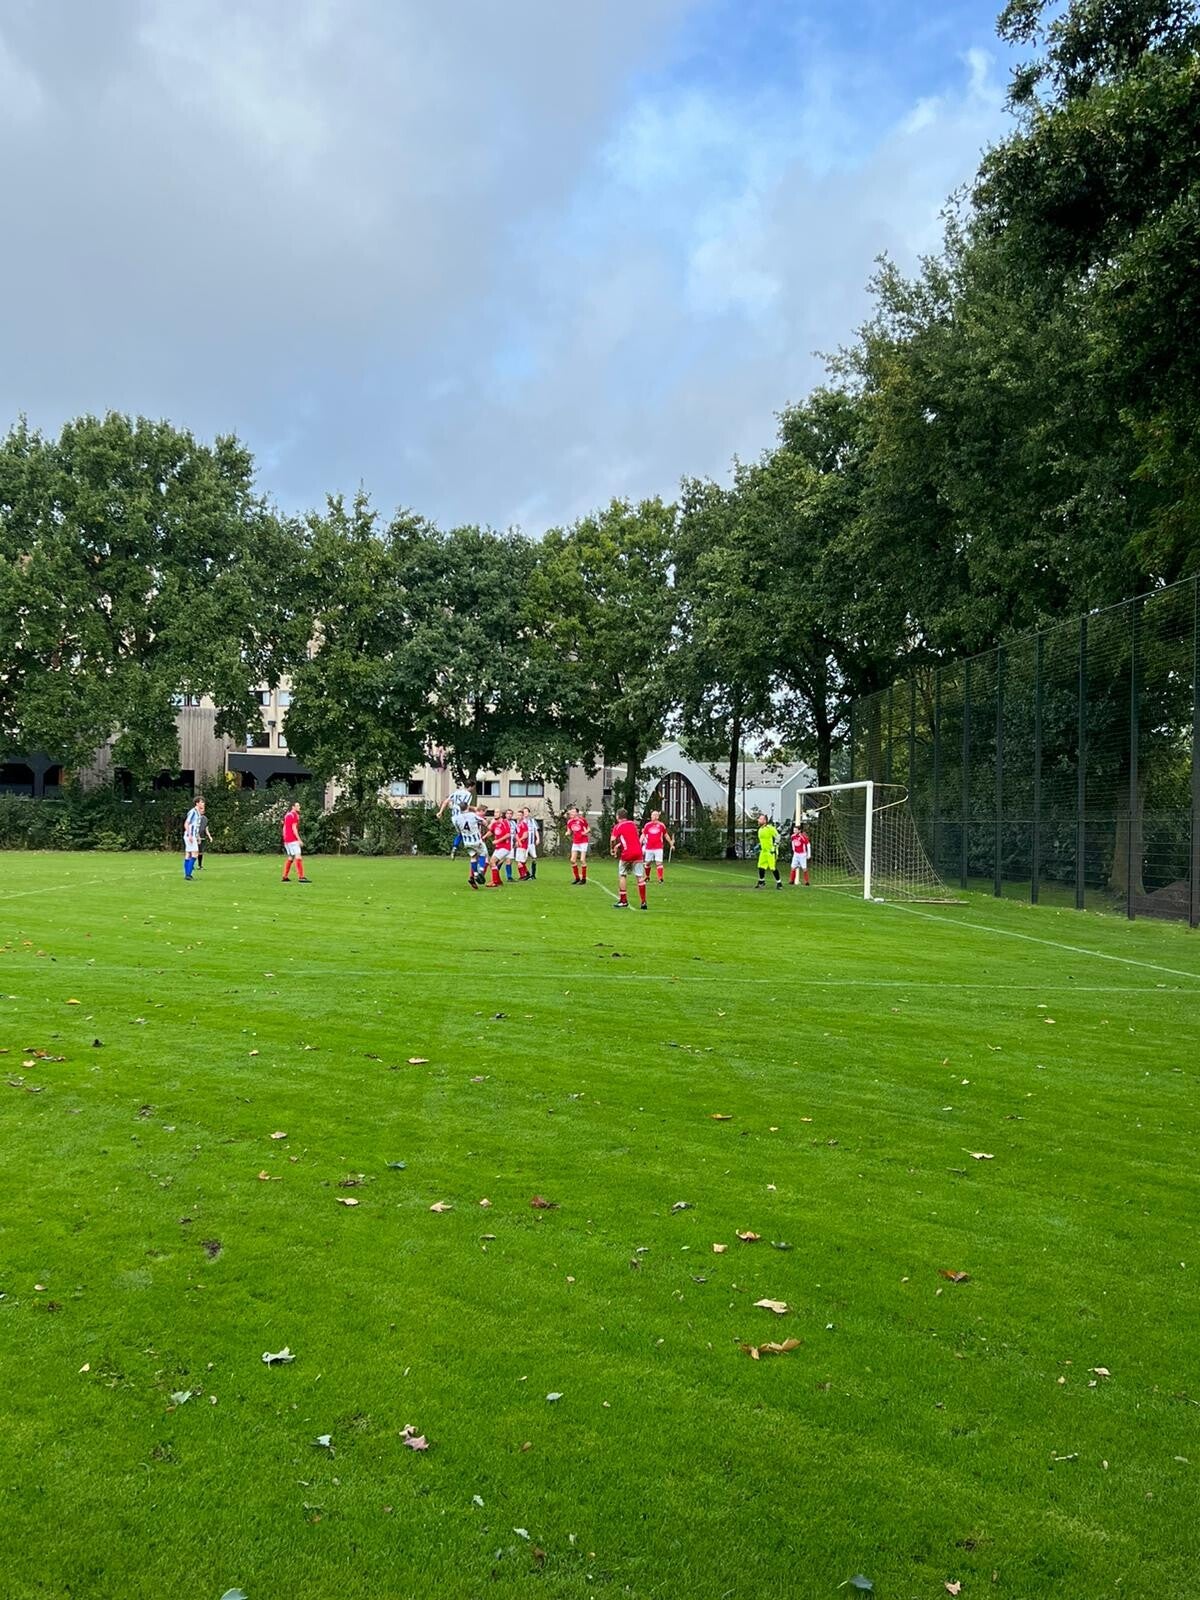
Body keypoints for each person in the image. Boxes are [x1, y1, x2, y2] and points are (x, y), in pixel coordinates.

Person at [610, 808, 648, 909]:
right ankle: (643, 902)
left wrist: (613, 849)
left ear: (617, 816)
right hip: (638, 852)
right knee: (639, 876)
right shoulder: (632, 824)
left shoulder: (618, 826)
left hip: (627, 853)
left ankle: (623, 901)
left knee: (622, 874)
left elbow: (613, 839)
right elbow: (630, 838)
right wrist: (619, 845)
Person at [640, 810, 674, 883]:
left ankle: (660, 878)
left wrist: (671, 843)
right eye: (652, 815)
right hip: (649, 847)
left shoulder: (661, 825)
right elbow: (643, 835)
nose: (653, 817)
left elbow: (666, 835)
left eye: (655, 815)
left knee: (659, 862)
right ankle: (647, 876)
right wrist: (639, 843)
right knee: (647, 863)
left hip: (658, 847)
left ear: (658, 817)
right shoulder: (647, 825)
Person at [460, 806, 488, 889]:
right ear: (481, 811)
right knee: (485, 859)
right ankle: (479, 875)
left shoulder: (469, 816)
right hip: (477, 841)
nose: (485, 814)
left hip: (470, 842)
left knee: (474, 859)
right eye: (485, 812)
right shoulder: (475, 817)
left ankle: (473, 876)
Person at [282, 800, 309, 883]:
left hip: (287, 839)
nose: (299, 807)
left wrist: (284, 837)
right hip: (292, 839)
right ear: (293, 807)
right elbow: (294, 828)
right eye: (297, 806)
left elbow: (284, 827)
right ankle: (301, 877)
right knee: (298, 856)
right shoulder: (295, 815)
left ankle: (285, 876)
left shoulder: (287, 815)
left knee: (291, 857)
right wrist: (299, 839)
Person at [486, 809, 514, 888]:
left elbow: (508, 834)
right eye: (495, 812)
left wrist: (498, 840)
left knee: (492, 861)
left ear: (501, 814)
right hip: (498, 847)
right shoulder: (495, 823)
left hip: (505, 847)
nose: (495, 814)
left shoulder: (505, 822)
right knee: (492, 863)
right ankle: (498, 881)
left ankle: (495, 882)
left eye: (497, 812)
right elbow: (490, 832)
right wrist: (483, 837)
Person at [755, 814, 781, 890]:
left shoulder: (770, 828)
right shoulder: (760, 830)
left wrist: (775, 845)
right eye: (759, 819)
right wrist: (759, 846)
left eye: (760, 819)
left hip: (771, 851)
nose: (758, 820)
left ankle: (779, 883)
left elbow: (777, 836)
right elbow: (762, 840)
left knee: (772, 867)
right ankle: (761, 881)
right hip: (763, 851)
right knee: (761, 866)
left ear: (765, 821)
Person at [566, 807, 591, 884]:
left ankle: (583, 879)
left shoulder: (582, 820)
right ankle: (577, 878)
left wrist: (585, 832)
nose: (571, 813)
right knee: (572, 860)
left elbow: (589, 829)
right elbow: (569, 831)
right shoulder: (569, 822)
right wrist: (567, 833)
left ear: (577, 813)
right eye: (571, 812)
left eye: (573, 812)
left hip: (583, 841)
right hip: (575, 842)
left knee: (582, 860)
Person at [182, 796, 204, 880]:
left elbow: (196, 826)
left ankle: (187, 875)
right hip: (190, 835)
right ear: (197, 803)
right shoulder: (193, 812)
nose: (203, 804)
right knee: (195, 853)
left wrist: (197, 836)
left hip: (192, 835)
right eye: (201, 802)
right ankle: (188, 874)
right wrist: (190, 835)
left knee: (188, 854)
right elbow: (186, 823)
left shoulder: (198, 813)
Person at [194, 799, 214, 871]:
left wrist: (209, 836)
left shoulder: (205, 818)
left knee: (200, 852)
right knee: (194, 852)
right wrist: (197, 836)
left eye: (203, 809)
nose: (202, 810)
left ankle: (200, 866)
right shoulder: (195, 817)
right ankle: (191, 865)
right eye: (201, 809)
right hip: (195, 837)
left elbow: (206, 828)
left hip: (202, 837)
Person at [522, 807, 540, 879]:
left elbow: (536, 831)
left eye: (526, 811)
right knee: (524, 859)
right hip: (524, 843)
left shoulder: (532, 821)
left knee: (534, 858)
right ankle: (527, 874)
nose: (525, 813)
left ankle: (533, 875)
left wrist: (538, 839)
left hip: (531, 844)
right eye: (524, 812)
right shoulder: (522, 821)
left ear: (529, 813)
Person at [514, 811, 532, 880]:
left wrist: (519, 841)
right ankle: (527, 874)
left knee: (519, 861)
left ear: (523, 816)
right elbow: (516, 834)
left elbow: (525, 835)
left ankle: (523, 875)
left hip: (523, 845)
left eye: (520, 815)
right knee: (520, 861)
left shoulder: (524, 824)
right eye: (518, 815)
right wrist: (517, 841)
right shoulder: (517, 824)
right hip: (519, 845)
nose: (519, 817)